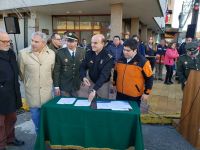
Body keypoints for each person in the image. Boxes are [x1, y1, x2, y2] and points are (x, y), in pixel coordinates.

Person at [18, 31, 55, 134]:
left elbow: (52, 71)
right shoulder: (23, 54)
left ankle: (47, 134)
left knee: (46, 114)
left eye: (36, 41)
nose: (33, 43)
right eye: (32, 41)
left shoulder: (51, 54)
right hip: (32, 91)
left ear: (44, 43)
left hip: (46, 92)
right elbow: (21, 73)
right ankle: (39, 136)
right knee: (35, 114)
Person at [0, 30, 24, 150]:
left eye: (8, 41)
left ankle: (10, 139)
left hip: (12, 92)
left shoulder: (11, 53)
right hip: (1, 95)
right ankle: (1, 145)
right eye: (3, 41)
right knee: (0, 123)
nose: (7, 43)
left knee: (12, 119)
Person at [114, 38, 153, 106]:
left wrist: (146, 93)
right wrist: (114, 85)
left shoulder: (143, 61)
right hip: (120, 93)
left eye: (128, 50)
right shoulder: (120, 60)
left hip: (134, 95)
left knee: (131, 115)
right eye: (124, 49)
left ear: (135, 50)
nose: (125, 52)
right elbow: (115, 73)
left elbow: (149, 78)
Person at [80, 34, 113, 101]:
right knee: (90, 102)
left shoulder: (108, 56)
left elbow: (104, 75)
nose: (92, 45)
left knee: (103, 104)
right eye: (91, 42)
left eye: (95, 43)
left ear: (102, 44)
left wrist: (94, 89)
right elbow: (82, 67)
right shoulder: (89, 53)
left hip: (103, 84)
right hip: (91, 82)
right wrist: (83, 77)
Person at [53, 32, 85, 97]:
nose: (69, 43)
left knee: (75, 104)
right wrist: (56, 86)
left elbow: (83, 67)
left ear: (76, 42)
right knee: (64, 104)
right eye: (67, 41)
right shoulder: (60, 52)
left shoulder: (82, 51)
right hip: (64, 85)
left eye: (71, 41)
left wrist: (83, 78)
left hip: (76, 84)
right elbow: (56, 71)